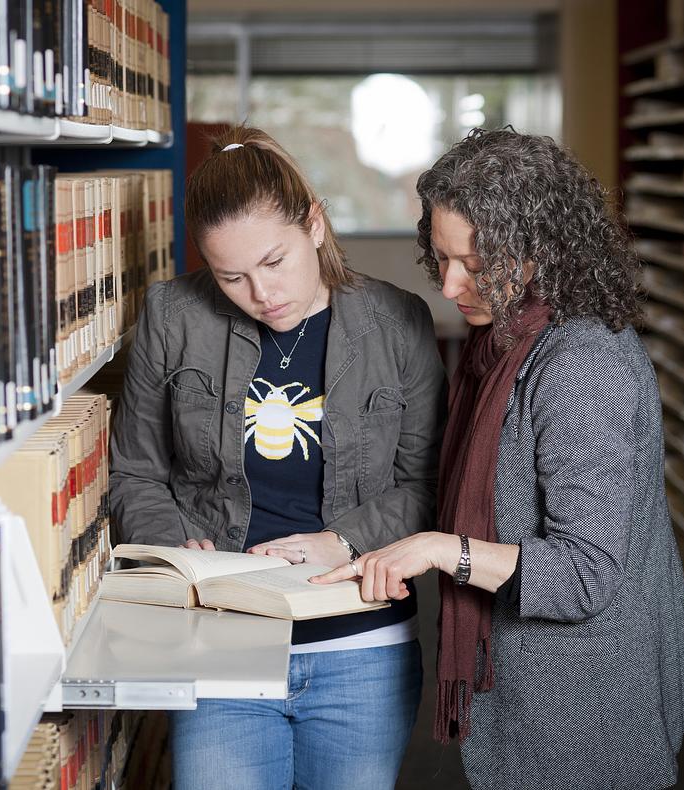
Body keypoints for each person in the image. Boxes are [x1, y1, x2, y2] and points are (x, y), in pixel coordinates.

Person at [314, 128, 684, 789]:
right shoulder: (505, 340)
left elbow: (585, 574)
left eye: (474, 264)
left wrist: (447, 550)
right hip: (535, 694)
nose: (449, 285)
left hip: (585, 708)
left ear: (542, 251)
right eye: (440, 258)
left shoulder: (580, 365)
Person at [107, 125, 447, 789]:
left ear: (314, 226)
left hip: (361, 644)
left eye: (274, 262)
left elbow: (427, 483)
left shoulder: (397, 321)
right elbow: (135, 473)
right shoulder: (173, 316)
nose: (261, 293)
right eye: (230, 276)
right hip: (217, 635)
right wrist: (177, 546)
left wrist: (341, 542)